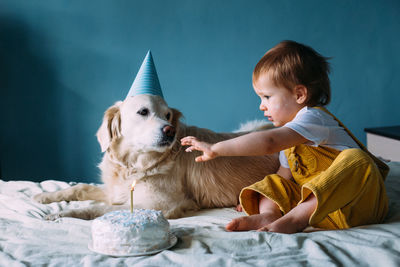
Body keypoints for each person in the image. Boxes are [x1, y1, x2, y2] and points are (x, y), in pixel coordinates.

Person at [181, 40, 389, 234]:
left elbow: (268, 142)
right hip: (323, 213)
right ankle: (269, 216)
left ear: (299, 95)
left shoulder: (313, 118)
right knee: (274, 180)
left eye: (267, 97)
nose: (261, 106)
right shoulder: (290, 140)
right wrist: (266, 194)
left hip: (357, 205)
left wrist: (217, 149)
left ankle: (297, 219)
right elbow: (284, 175)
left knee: (357, 160)